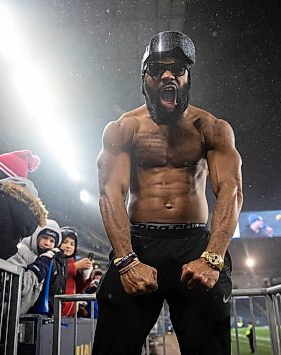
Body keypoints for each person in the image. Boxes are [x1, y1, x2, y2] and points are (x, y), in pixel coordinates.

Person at [93, 31, 243, 354]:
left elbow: (231, 191)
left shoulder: (212, 128)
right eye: (158, 68)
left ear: (187, 78)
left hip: (196, 244)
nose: (167, 75)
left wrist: (213, 258)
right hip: (139, 243)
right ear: (144, 77)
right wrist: (126, 261)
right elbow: (109, 194)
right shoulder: (124, 129)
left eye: (176, 69)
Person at [7, 219, 63, 314]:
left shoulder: (48, 261)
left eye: (52, 241)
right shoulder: (21, 251)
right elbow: (15, 288)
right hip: (6, 315)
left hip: (20, 315)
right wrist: (38, 268)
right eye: (44, 238)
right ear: (35, 237)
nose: (47, 243)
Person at [57, 227, 93, 316]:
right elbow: (56, 273)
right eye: (65, 242)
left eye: (72, 244)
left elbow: (78, 289)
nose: (69, 246)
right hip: (55, 313)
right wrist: (75, 266)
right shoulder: (53, 258)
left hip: (69, 315)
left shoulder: (72, 260)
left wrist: (85, 275)